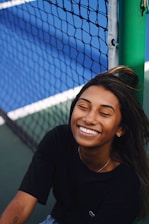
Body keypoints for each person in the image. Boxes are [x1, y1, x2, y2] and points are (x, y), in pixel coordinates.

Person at [0, 65, 149, 224]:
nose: (89, 119)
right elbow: (22, 203)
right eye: (83, 107)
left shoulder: (127, 186)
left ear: (120, 129)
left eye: (104, 113)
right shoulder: (58, 139)